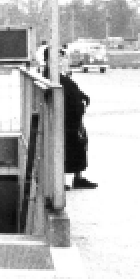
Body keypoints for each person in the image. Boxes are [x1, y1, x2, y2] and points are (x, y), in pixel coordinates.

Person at [46, 53, 96, 190]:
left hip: (73, 118)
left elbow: (73, 89)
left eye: (62, 57)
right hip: (64, 119)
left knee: (79, 145)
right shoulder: (50, 76)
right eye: (59, 58)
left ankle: (78, 177)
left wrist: (82, 97)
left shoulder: (60, 75)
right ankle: (59, 180)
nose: (62, 60)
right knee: (64, 148)